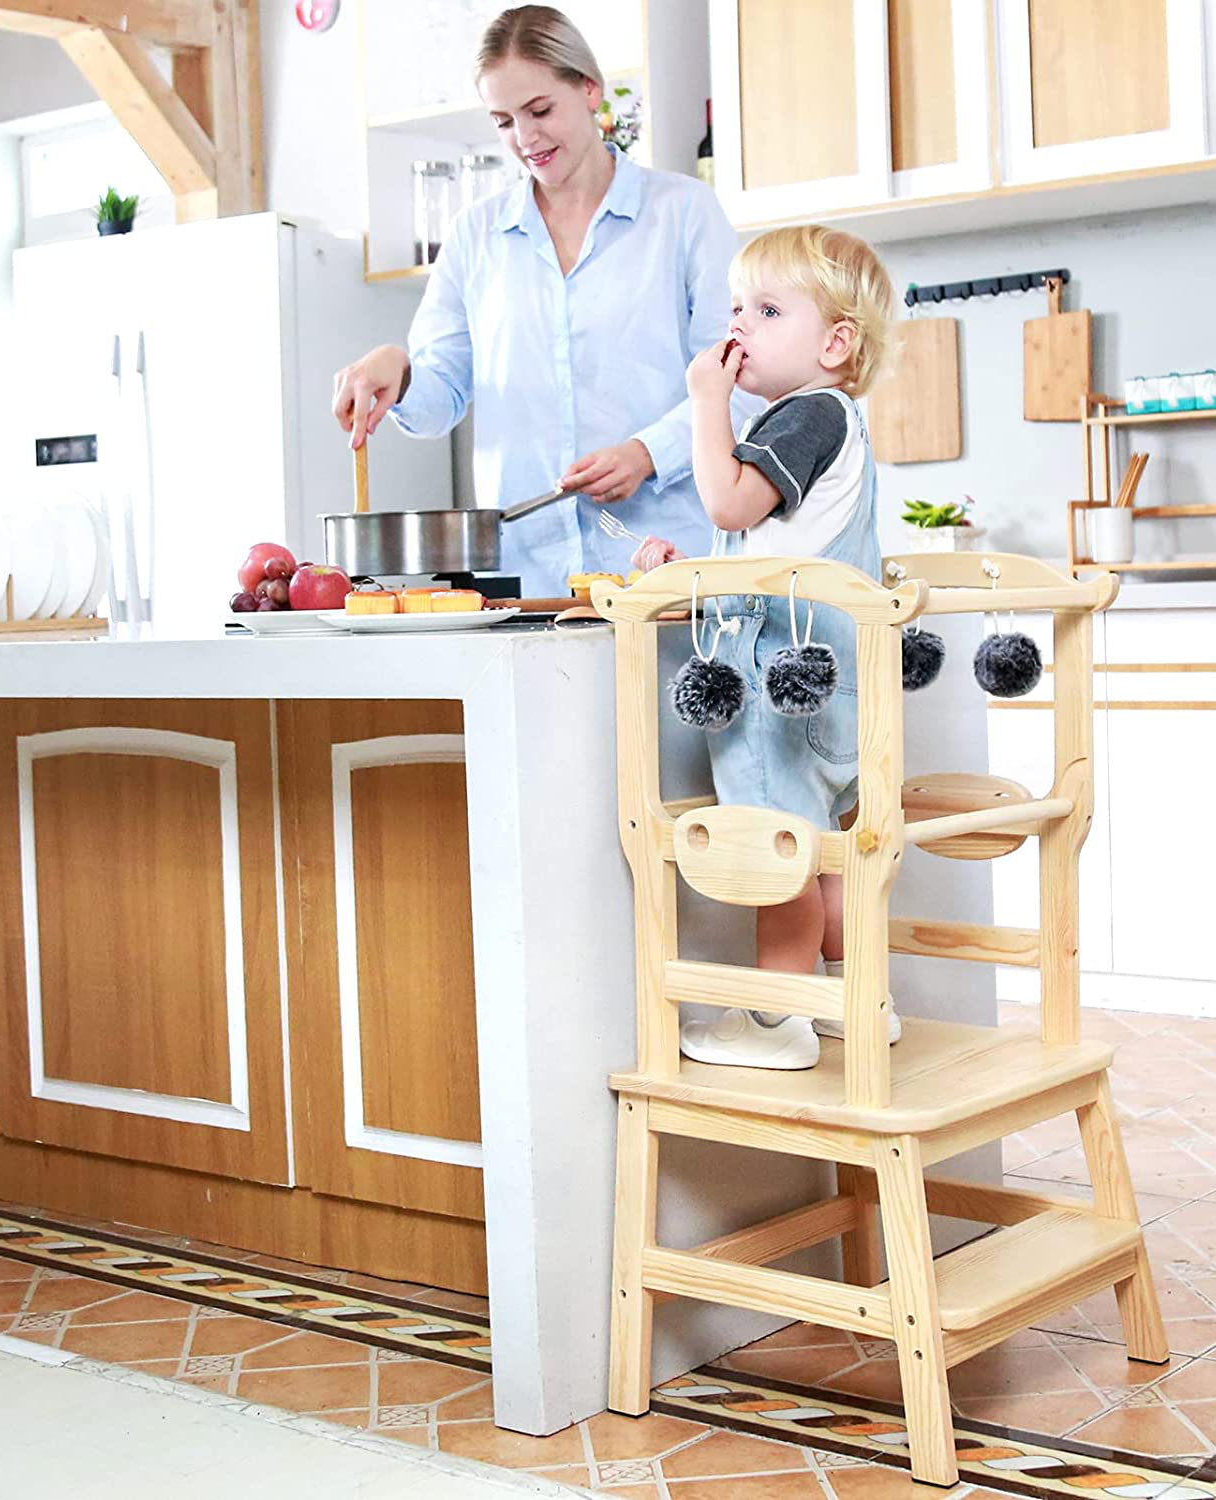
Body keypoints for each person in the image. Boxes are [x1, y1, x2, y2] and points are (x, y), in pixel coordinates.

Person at [330, 5, 748, 597]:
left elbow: (739, 382)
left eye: (540, 110)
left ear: (590, 90)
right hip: (524, 580)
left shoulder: (683, 213)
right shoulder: (476, 235)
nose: (524, 139)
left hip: (667, 572)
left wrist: (647, 453)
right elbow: (437, 402)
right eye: (503, 121)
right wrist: (394, 372)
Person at [668, 224, 899, 1070]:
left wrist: (705, 403)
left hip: (777, 684)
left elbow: (729, 506)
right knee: (827, 851)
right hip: (829, 685)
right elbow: (760, 545)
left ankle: (777, 1021)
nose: (740, 330)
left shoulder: (804, 415)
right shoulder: (834, 422)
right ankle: (850, 998)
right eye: (737, 308)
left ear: (836, 342)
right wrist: (682, 564)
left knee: (780, 848)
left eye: (767, 310)